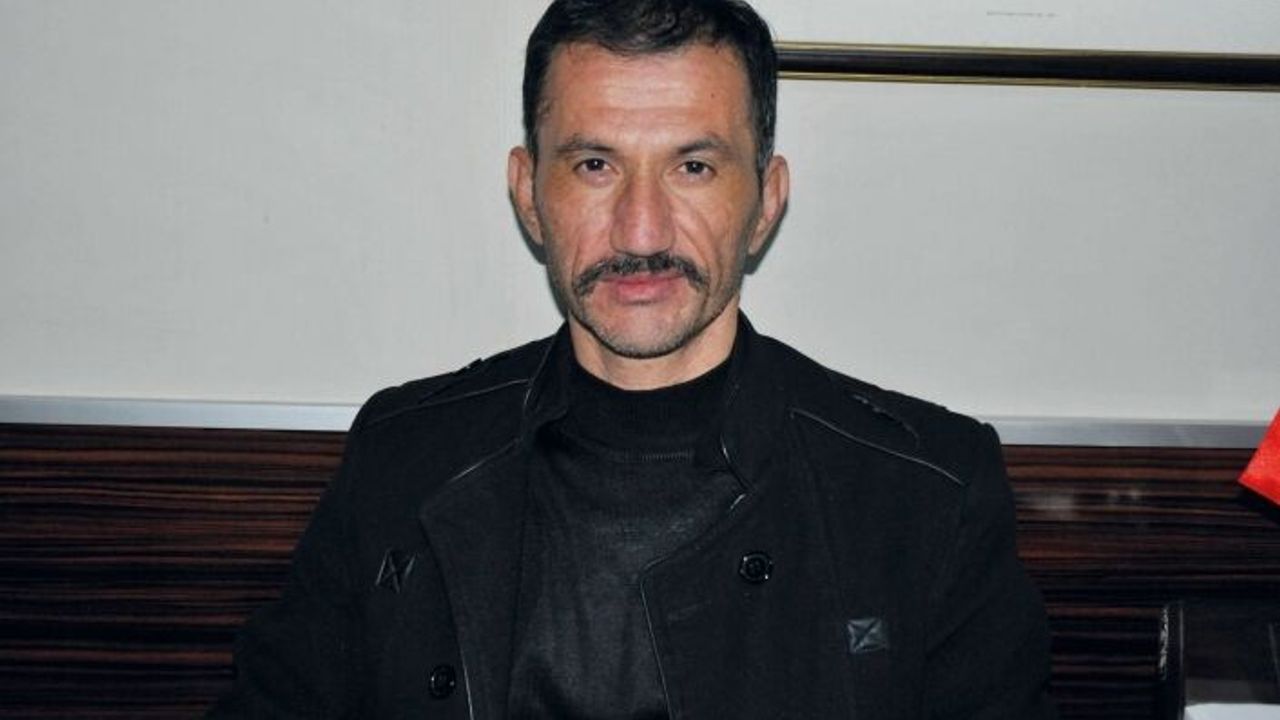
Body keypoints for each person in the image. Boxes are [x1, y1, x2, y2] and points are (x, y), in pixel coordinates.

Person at [210, 0, 1056, 717]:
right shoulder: (403, 457)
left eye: (693, 166)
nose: (641, 230)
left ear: (765, 201)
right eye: (594, 165)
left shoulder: (925, 494)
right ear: (528, 194)